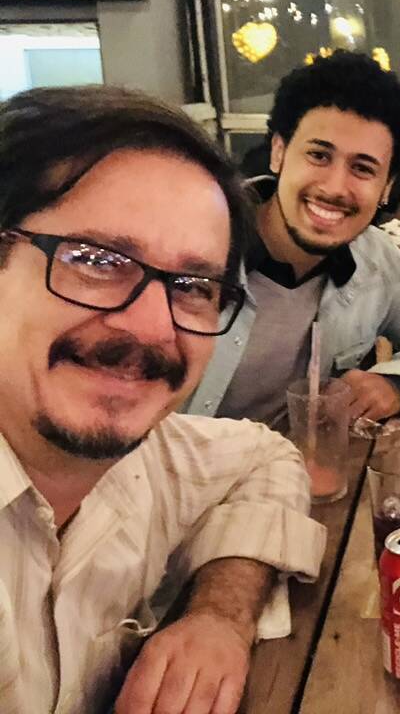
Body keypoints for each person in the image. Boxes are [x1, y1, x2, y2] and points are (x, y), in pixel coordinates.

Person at [0, 86, 326, 714]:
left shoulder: (151, 459)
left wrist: (220, 614)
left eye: (193, 286)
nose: (152, 328)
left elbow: (264, 459)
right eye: (96, 259)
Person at [187, 51, 400, 425]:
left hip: (305, 461)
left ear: (387, 188)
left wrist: (397, 383)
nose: (335, 187)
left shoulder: (376, 261)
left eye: (362, 168)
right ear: (278, 152)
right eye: (319, 156)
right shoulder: (188, 249)